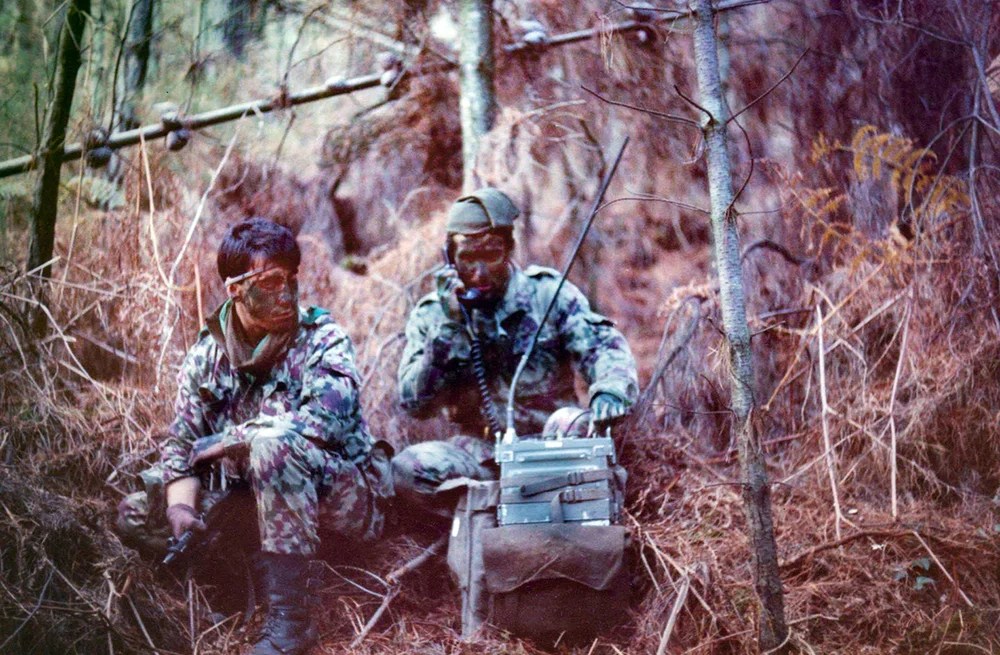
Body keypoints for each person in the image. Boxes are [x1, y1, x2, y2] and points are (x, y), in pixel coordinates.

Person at [116, 217, 392, 655]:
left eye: (291, 279)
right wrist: (181, 508)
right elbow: (182, 444)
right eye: (270, 282)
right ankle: (238, 572)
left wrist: (230, 440)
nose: (286, 293)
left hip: (340, 499)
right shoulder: (207, 356)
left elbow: (326, 422)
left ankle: (291, 623)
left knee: (273, 446)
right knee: (137, 511)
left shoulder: (323, 340)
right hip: (254, 500)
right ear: (235, 290)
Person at [392, 188, 638, 516]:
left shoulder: (547, 294)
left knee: (573, 429)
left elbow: (602, 346)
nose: (479, 272)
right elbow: (414, 405)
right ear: (449, 259)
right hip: (480, 456)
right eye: (468, 258)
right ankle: (505, 505)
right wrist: (448, 331)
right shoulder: (433, 315)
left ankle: (508, 505)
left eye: (491, 254)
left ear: (509, 249)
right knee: (408, 470)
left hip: (554, 445)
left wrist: (609, 390)